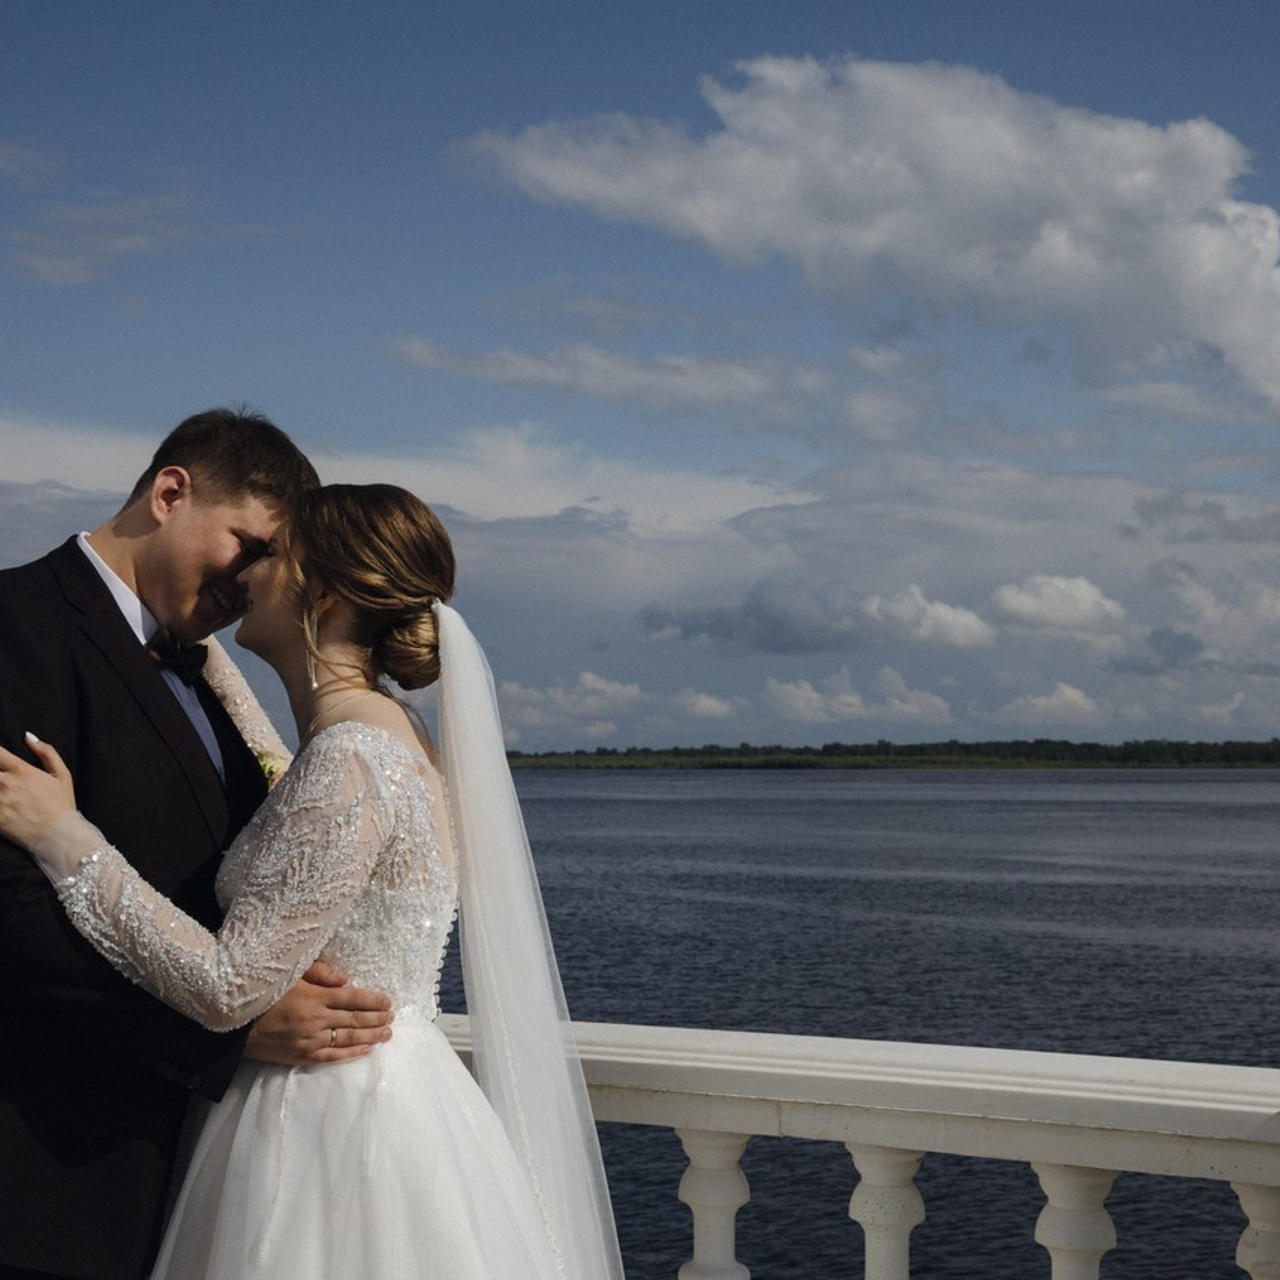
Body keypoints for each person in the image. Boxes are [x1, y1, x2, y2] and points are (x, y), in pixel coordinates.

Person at [0, 483, 625, 1279]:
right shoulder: (383, 732)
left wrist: (64, 837)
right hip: (394, 1097)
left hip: (328, 1123)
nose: (245, 576)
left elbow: (228, 985)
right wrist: (178, 627)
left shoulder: (350, 760)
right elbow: (275, 754)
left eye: (270, 556)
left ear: (321, 594)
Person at [0, 412, 395, 1280]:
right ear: (170, 493)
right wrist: (226, 1034)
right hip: (52, 1182)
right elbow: (10, 909)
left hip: (209, 1180)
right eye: (249, 544)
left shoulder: (213, 673)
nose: (252, 581)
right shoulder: (14, 623)